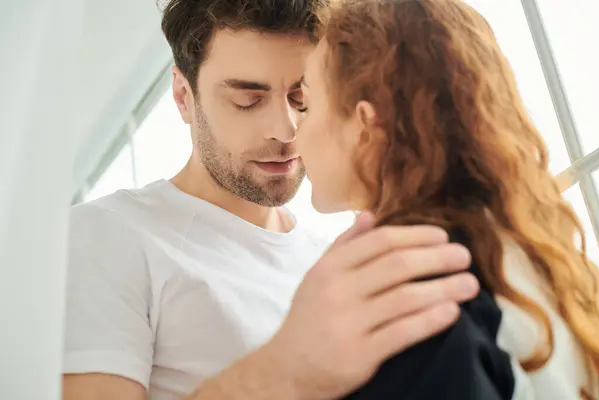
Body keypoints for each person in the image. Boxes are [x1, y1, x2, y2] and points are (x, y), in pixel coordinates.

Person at [61, 0, 480, 399]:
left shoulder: (331, 254)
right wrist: (283, 368)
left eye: (302, 98)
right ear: (184, 97)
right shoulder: (103, 237)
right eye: (248, 100)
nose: (285, 129)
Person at [295, 0, 599, 398]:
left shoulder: (414, 304)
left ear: (366, 127)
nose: (294, 135)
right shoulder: (530, 256)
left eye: (306, 105)